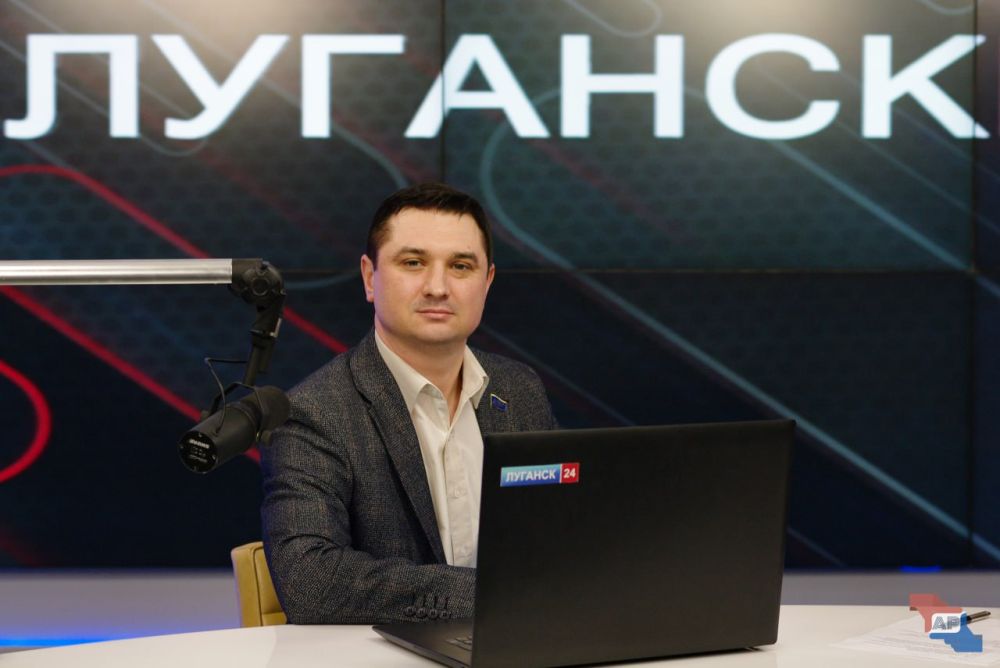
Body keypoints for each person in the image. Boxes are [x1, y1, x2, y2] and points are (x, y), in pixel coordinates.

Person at [260, 183, 558, 624]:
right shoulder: (313, 413)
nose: (437, 287)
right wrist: (493, 595)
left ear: (487, 282)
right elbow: (311, 580)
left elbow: (562, 532)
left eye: (460, 266)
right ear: (370, 277)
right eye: (413, 263)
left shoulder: (519, 390)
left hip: (524, 643)